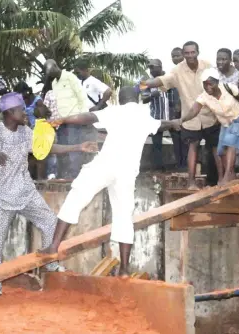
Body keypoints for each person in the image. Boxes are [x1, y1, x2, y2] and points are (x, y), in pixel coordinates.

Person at [37, 87, 181, 276]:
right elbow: (162, 124)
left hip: (105, 165)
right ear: (136, 99)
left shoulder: (116, 111)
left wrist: (63, 119)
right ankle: (124, 269)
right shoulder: (144, 116)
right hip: (127, 171)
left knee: (76, 197)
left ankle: (53, 247)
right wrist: (176, 122)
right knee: (123, 216)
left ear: (120, 100)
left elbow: (87, 117)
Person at [0, 92, 98, 297]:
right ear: (9, 112)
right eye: (21, 110)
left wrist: (78, 147)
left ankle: (50, 264)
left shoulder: (26, 132)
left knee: (51, 222)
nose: (26, 113)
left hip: (24, 190)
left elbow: (46, 149)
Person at [142, 41, 221, 190]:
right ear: (184, 54)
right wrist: (141, 85)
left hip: (210, 116)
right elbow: (162, 80)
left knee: (216, 149)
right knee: (193, 147)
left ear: (198, 52)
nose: (190, 55)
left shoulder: (208, 66)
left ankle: (222, 180)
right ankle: (191, 183)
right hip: (190, 118)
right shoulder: (177, 71)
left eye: (193, 52)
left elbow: (219, 87)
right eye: (187, 53)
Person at [179, 68, 239, 184]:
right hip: (225, 123)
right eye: (205, 84)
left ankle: (226, 176)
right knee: (220, 150)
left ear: (217, 82)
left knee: (230, 141)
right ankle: (231, 176)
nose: (208, 87)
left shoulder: (228, 88)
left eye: (210, 84)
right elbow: (194, 110)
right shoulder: (204, 97)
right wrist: (182, 120)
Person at [44, 59, 94, 179]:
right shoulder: (54, 83)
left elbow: (82, 97)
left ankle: (74, 179)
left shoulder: (70, 77)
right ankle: (64, 178)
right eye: (48, 73)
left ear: (56, 66)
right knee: (62, 152)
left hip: (75, 122)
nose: (50, 75)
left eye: (51, 71)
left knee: (74, 154)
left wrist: (84, 119)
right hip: (62, 123)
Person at [139, 59, 187, 171]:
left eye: (153, 67)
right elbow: (144, 99)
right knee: (156, 145)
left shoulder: (171, 78)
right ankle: (158, 168)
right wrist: (152, 94)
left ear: (160, 67)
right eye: (150, 67)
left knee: (178, 143)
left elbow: (181, 94)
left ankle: (181, 166)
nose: (151, 70)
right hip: (156, 117)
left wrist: (178, 110)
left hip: (173, 117)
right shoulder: (145, 81)